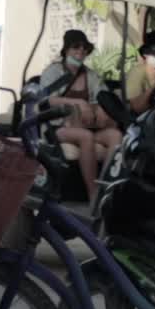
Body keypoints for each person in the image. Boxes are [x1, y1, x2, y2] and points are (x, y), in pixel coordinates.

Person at [39, 29, 122, 200]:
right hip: (57, 126)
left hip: (86, 124)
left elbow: (103, 96)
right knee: (85, 137)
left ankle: (106, 188)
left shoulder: (90, 75)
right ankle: (93, 194)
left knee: (115, 135)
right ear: (66, 50)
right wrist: (78, 102)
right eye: (76, 47)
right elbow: (46, 101)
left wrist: (100, 107)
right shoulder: (53, 72)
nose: (80, 52)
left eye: (85, 49)